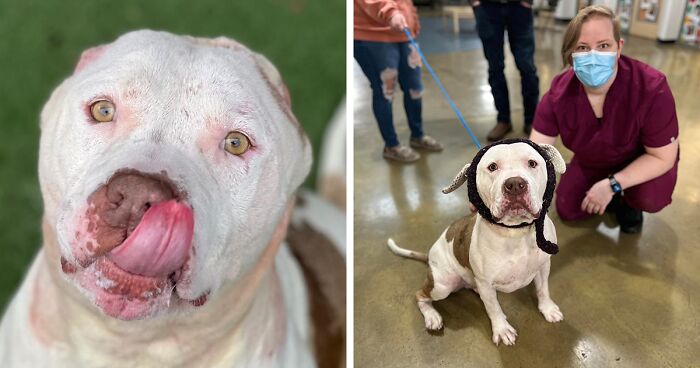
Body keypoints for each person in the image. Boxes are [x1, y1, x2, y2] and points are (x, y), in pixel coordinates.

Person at [530, 5, 679, 233]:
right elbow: (535, 152)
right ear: (570, 53)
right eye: (582, 47)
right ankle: (607, 188)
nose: (593, 56)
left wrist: (613, 185)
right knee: (568, 209)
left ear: (618, 48)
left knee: (650, 196)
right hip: (594, 160)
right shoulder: (558, 95)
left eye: (603, 46)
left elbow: (662, 156)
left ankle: (628, 201)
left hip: (643, 159)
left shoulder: (651, 88)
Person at [354, 0, 443, 163]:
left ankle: (417, 135)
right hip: (373, 35)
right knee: (385, 92)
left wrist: (412, 21)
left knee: (415, 89)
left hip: (404, 32)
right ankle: (391, 145)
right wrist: (390, 12)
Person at [472, 0, 540, 141]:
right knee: (495, 68)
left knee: (527, 67)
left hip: (520, 7)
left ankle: (532, 120)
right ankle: (503, 120)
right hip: (487, 8)